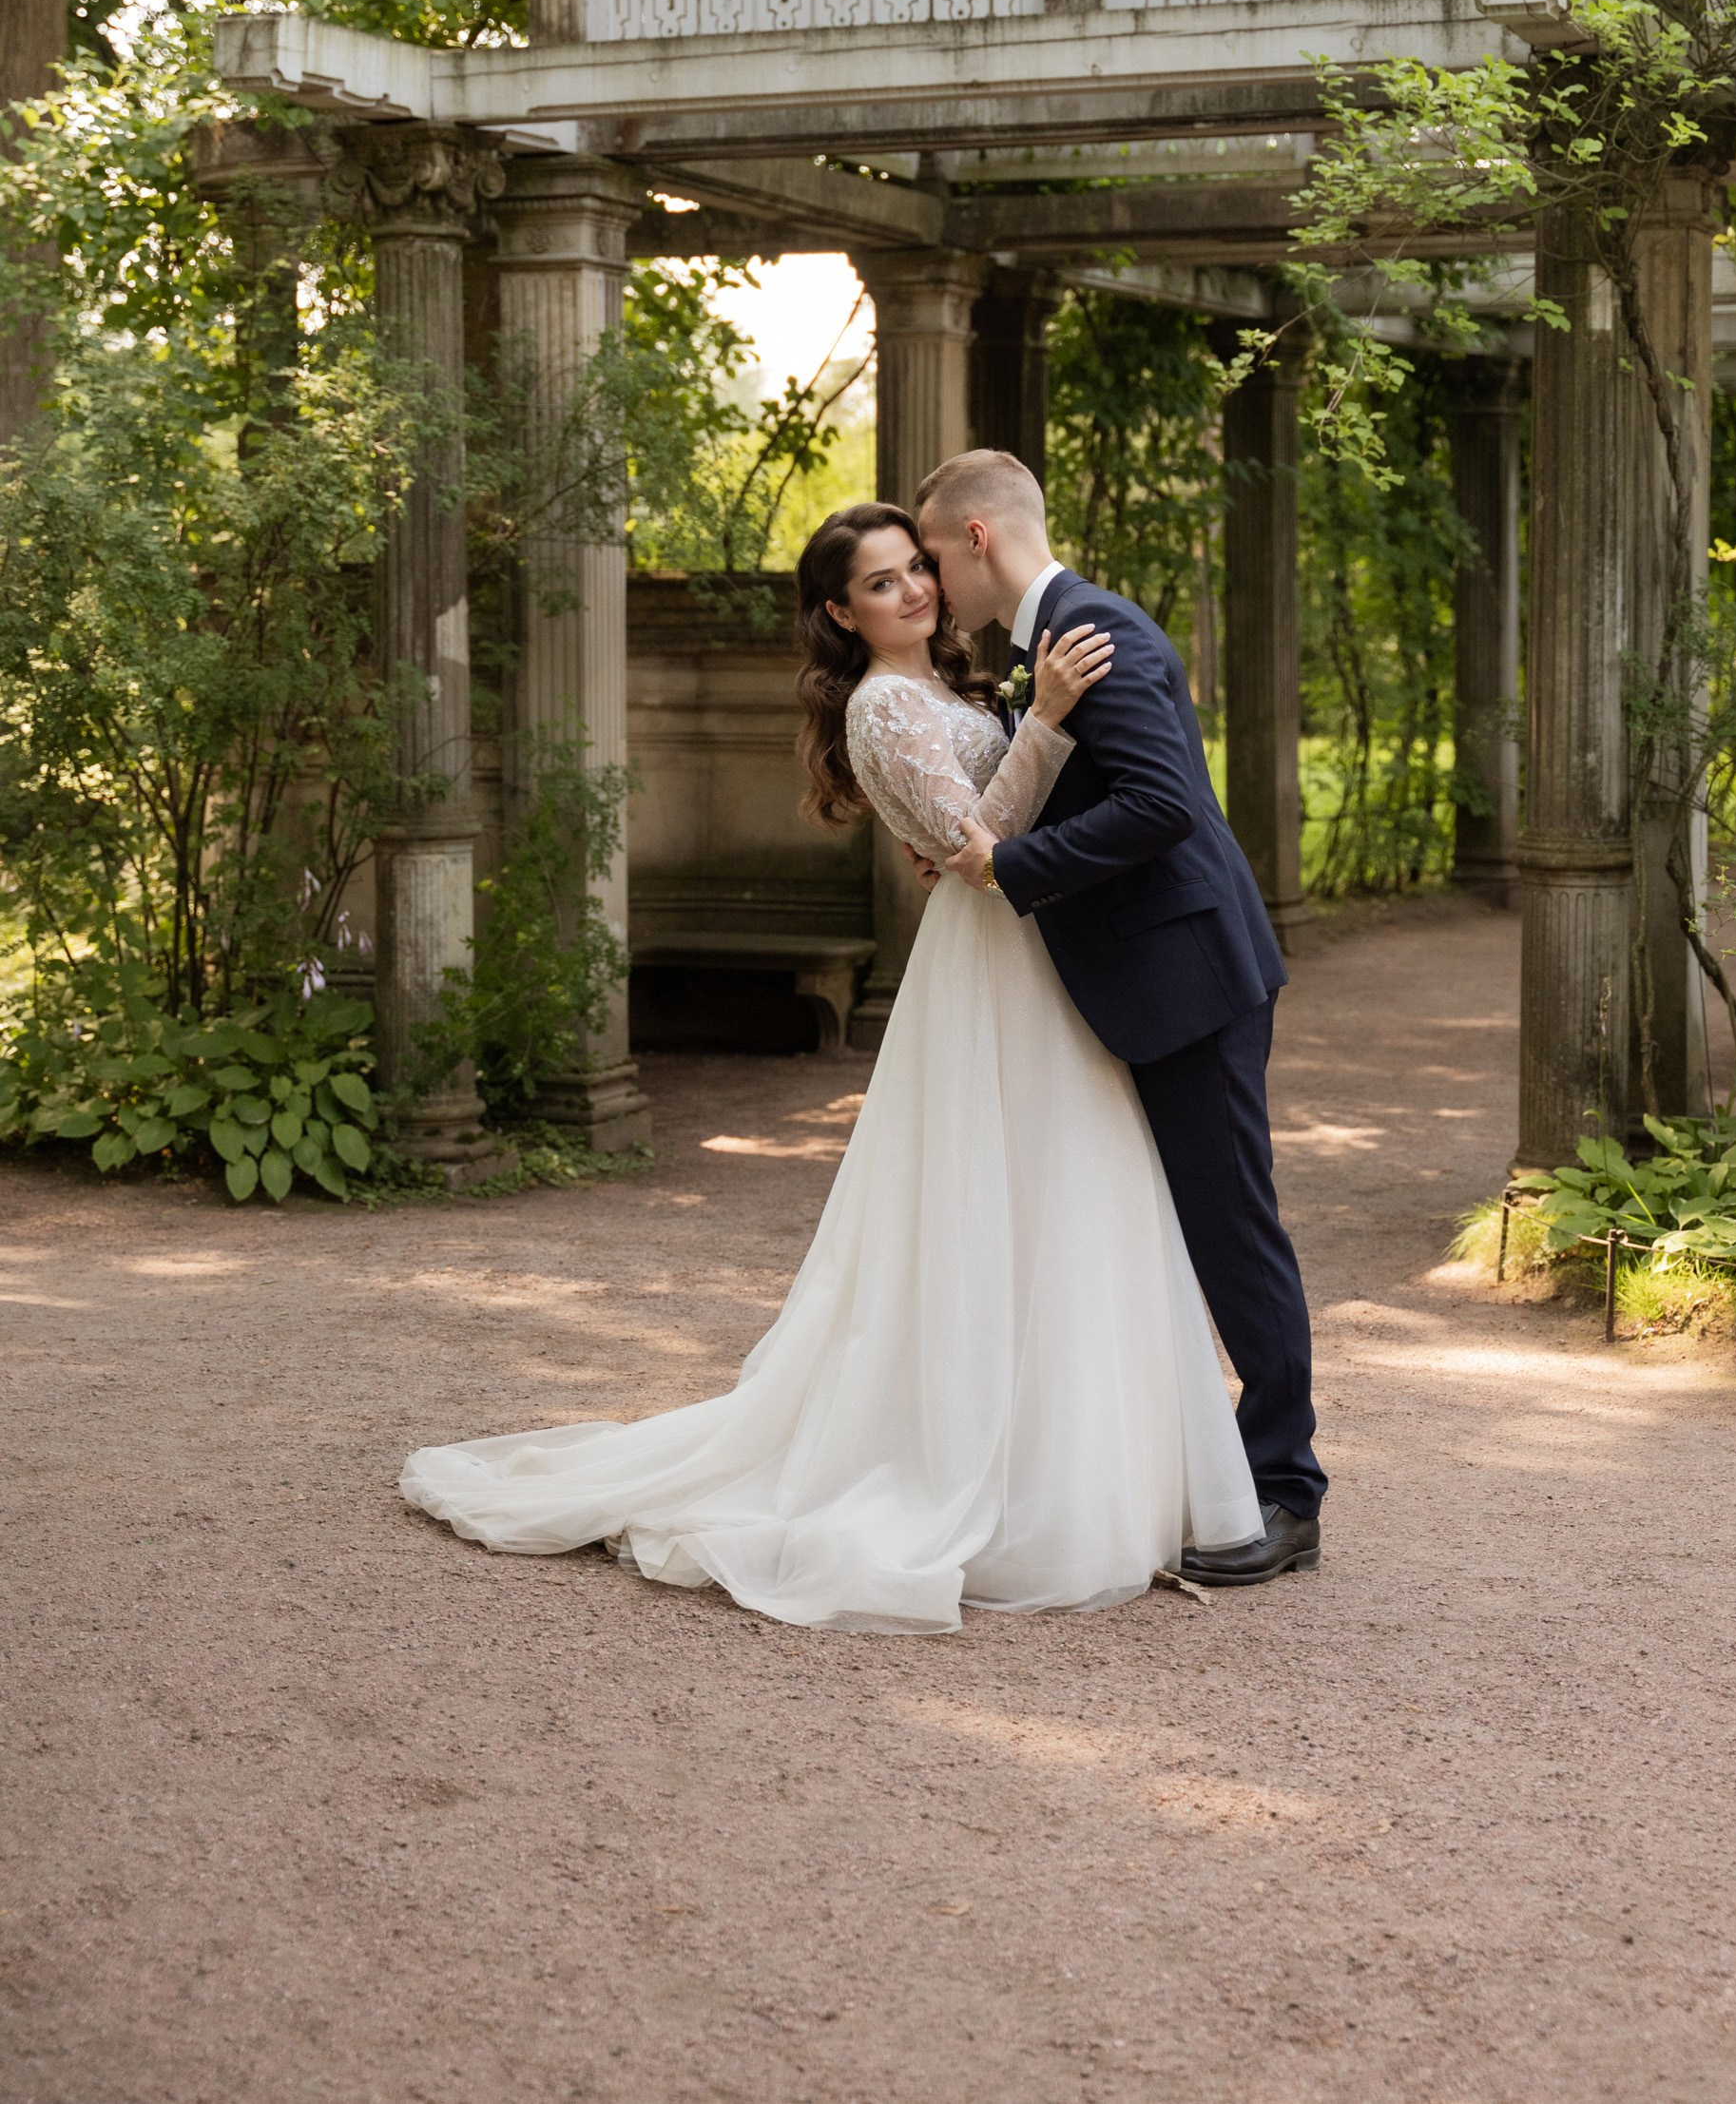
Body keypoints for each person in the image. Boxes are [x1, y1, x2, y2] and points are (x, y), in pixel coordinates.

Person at [398, 499, 1263, 1633]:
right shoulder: (881, 706)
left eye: (915, 569)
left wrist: (1025, 727)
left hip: (1040, 953)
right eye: (882, 582)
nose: (911, 591)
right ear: (838, 611)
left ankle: (1095, 1460)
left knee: (1074, 1188)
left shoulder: (958, 687)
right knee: (995, 1194)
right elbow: (973, 849)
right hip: (989, 960)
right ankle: (983, 1472)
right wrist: (1044, 721)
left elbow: (995, 830)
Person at [915, 448, 1324, 1588]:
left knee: (1229, 1230)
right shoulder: (1046, 645)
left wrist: (1008, 863)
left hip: (1187, 977)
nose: (936, 582)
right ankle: (1190, 1472)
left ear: (977, 538)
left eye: (937, 555)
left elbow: (1159, 804)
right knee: (1160, 1226)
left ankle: (1286, 1491)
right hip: (1143, 978)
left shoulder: (1099, 631)